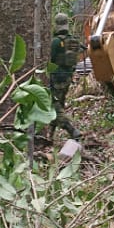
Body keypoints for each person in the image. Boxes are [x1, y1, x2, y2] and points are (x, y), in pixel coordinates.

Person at [48, 12, 82, 140]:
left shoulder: (56, 42)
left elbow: (50, 59)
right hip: (67, 77)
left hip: (56, 78)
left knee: (54, 106)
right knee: (59, 105)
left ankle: (71, 130)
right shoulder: (73, 40)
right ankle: (49, 136)